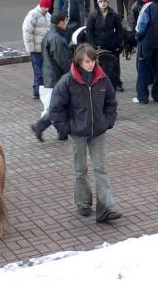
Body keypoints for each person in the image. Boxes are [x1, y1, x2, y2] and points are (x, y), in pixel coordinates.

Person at [49, 44, 121, 223]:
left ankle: (106, 207)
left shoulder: (102, 79)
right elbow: (56, 108)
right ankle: (83, 203)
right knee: (80, 170)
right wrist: (66, 129)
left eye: (93, 60)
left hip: (98, 131)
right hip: (78, 133)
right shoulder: (67, 81)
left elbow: (111, 103)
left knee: (100, 169)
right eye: (87, 61)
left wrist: (107, 122)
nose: (91, 64)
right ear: (79, 62)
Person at [31, 12, 72, 141]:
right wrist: (72, 73)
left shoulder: (50, 35)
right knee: (59, 106)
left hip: (51, 75)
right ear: (61, 22)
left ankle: (62, 131)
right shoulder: (56, 38)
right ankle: (41, 126)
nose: (66, 24)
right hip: (57, 77)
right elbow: (63, 60)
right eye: (65, 21)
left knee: (62, 105)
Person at [85, 0, 125, 91]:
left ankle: (117, 82)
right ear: (98, 3)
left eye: (105, 2)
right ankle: (97, 82)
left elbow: (119, 30)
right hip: (98, 45)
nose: (103, 3)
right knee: (99, 64)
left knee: (115, 64)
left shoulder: (114, 15)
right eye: (101, 2)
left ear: (107, 3)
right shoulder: (93, 15)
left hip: (111, 44)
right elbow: (89, 31)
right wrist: (93, 45)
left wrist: (118, 43)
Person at [23, 0, 52, 100]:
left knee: (44, 71)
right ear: (41, 6)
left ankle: (42, 90)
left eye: (48, 7)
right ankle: (36, 92)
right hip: (35, 49)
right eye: (44, 7)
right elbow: (27, 32)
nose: (46, 9)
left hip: (45, 49)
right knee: (38, 72)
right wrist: (30, 48)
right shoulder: (33, 15)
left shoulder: (48, 16)